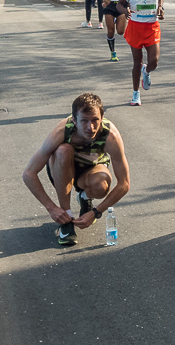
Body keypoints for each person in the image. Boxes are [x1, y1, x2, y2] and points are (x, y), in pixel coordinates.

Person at [21, 92, 130, 246]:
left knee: (102, 185)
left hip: (91, 169)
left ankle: (85, 197)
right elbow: (29, 173)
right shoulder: (62, 132)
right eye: (84, 121)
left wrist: (96, 213)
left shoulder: (110, 135)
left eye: (95, 120)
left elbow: (124, 184)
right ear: (74, 120)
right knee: (63, 150)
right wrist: (52, 208)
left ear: (102, 117)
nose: (90, 127)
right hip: (63, 167)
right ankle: (66, 218)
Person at [116, 0, 164, 106]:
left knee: (154, 61)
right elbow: (119, 4)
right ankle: (136, 94)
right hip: (136, 27)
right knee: (137, 62)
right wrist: (126, 11)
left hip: (152, 26)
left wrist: (160, 8)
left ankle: (147, 71)